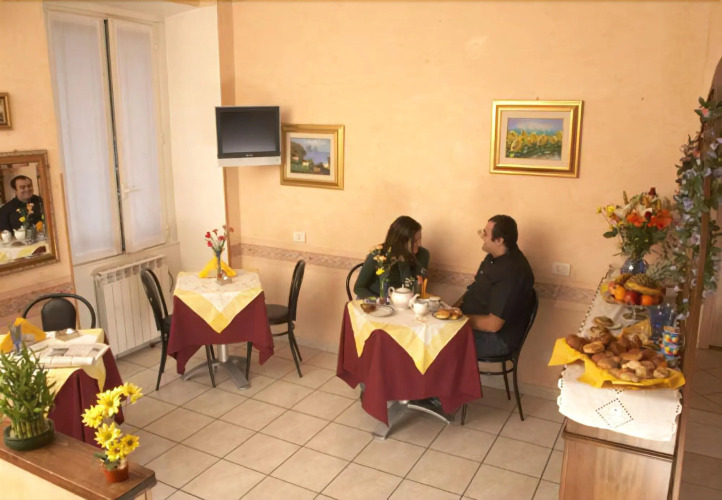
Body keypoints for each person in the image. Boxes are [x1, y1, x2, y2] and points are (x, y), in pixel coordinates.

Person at [459, 215, 535, 358]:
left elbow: (493, 325)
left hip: (497, 339)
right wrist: (449, 310)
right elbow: (474, 290)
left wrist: (456, 319)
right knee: (433, 332)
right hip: (473, 324)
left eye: (485, 233)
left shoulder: (511, 272)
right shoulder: (493, 257)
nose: (482, 236)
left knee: (439, 343)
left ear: (499, 240)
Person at [353, 215, 430, 299]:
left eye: (419, 239)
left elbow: (415, 288)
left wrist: (418, 285)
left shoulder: (423, 255)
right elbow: (358, 288)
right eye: (414, 241)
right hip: (375, 302)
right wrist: (379, 301)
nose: (419, 244)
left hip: (405, 302)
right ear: (401, 242)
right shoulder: (378, 255)